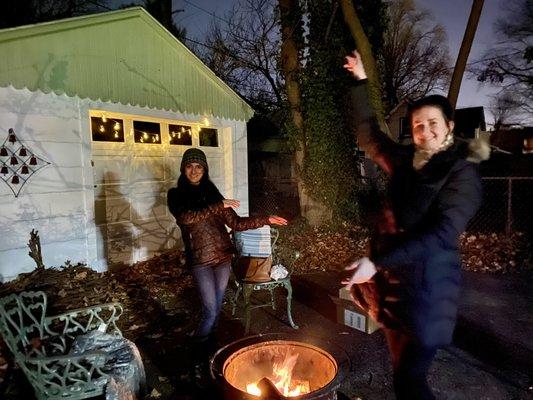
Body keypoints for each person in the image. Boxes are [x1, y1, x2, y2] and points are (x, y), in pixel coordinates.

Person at [341, 51, 486, 399]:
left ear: (449, 126)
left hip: (430, 294)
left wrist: (375, 263)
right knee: (401, 375)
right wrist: (361, 83)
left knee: (410, 380)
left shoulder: (461, 173)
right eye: (418, 125)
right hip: (392, 293)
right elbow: (370, 136)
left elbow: (441, 234)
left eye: (433, 123)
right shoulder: (407, 162)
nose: (425, 131)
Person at [167, 148, 287, 345]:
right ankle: (198, 352)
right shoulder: (176, 195)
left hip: (223, 257)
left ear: (205, 170)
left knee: (217, 306)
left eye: (199, 167)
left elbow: (237, 223)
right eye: (190, 166)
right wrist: (218, 205)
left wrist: (266, 219)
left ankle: (212, 346)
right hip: (200, 260)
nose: (194, 171)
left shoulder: (213, 193)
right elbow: (186, 218)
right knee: (210, 310)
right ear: (183, 169)